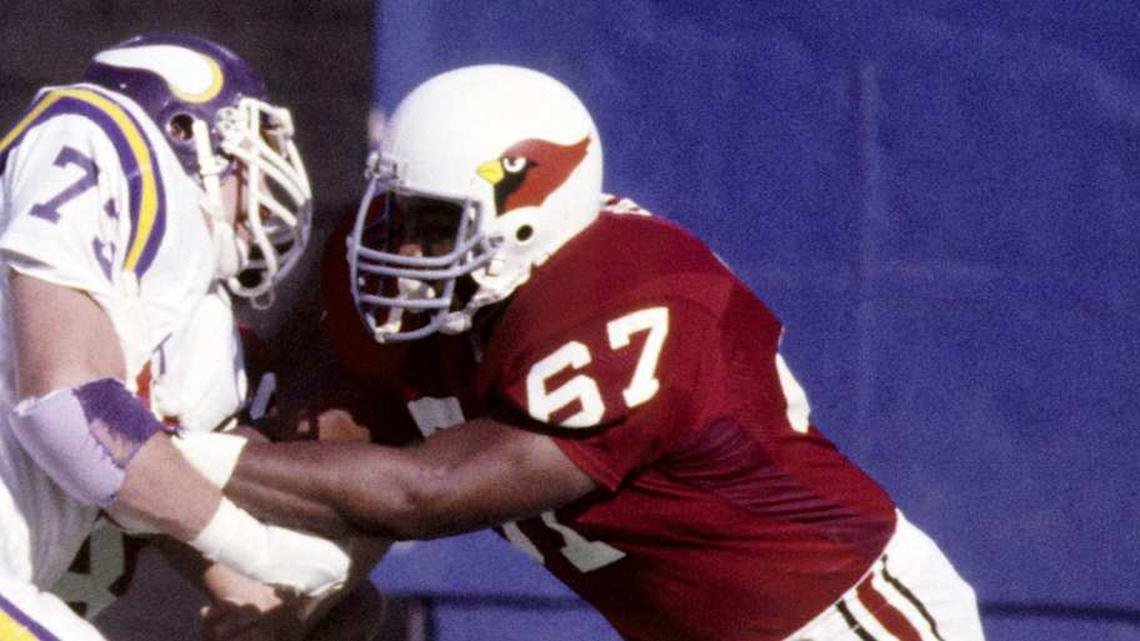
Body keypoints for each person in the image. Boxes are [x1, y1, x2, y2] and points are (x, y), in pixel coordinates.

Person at [178, 64, 988, 641]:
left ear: (528, 215)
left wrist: (168, 453)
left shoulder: (634, 298)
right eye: (397, 215)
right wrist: (308, 591)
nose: (399, 250)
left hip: (835, 618)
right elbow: (353, 455)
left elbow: (426, 490)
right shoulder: (446, 296)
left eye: (432, 225)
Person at [0, 33, 366, 641]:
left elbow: (150, 487)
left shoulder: (196, 321)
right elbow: (64, 405)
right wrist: (255, 546)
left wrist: (295, 615)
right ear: (185, 132)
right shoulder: (102, 132)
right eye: (258, 142)